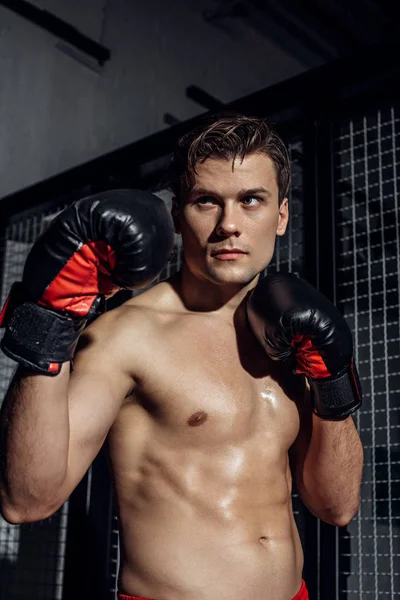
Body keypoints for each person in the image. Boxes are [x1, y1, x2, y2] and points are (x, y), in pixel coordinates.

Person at [0, 113, 364, 600]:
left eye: (251, 200)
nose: (229, 225)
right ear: (177, 216)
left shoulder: (292, 336)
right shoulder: (128, 336)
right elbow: (25, 500)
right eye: (206, 202)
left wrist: (333, 382)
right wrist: (50, 322)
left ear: (281, 215)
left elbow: (336, 507)